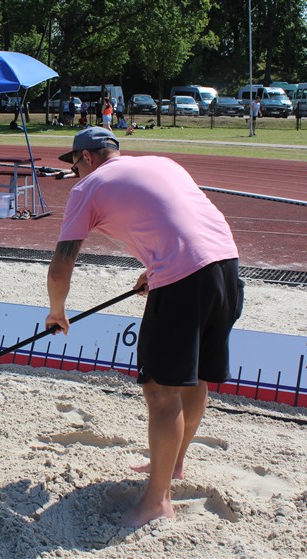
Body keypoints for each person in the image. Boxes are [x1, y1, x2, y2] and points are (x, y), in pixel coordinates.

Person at [46, 127, 243, 527]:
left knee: (160, 390)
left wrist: (57, 311)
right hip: (226, 266)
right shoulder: (161, 163)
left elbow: (62, 263)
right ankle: (173, 467)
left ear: (86, 158)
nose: (76, 174)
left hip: (185, 279)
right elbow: (181, 220)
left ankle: (155, 502)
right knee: (195, 376)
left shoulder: (88, 187)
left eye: (75, 165)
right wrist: (155, 269)